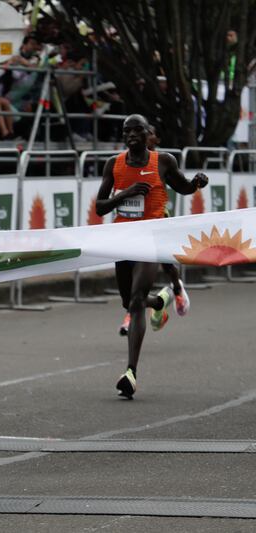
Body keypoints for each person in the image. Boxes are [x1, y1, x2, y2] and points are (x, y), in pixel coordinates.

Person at [95, 114, 208, 399]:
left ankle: (130, 373)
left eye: (137, 130)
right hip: (123, 240)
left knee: (135, 302)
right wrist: (126, 194)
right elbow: (100, 207)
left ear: (148, 134)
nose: (132, 135)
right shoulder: (114, 164)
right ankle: (160, 301)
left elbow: (183, 187)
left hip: (151, 239)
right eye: (127, 131)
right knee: (128, 301)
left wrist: (197, 182)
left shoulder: (163, 161)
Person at [117, 125, 190, 336]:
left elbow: (181, 185)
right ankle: (134, 311)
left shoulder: (161, 161)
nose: (143, 137)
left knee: (165, 264)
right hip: (132, 225)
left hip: (157, 219)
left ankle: (176, 288)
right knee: (131, 267)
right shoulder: (126, 160)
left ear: (154, 139)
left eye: (148, 133)